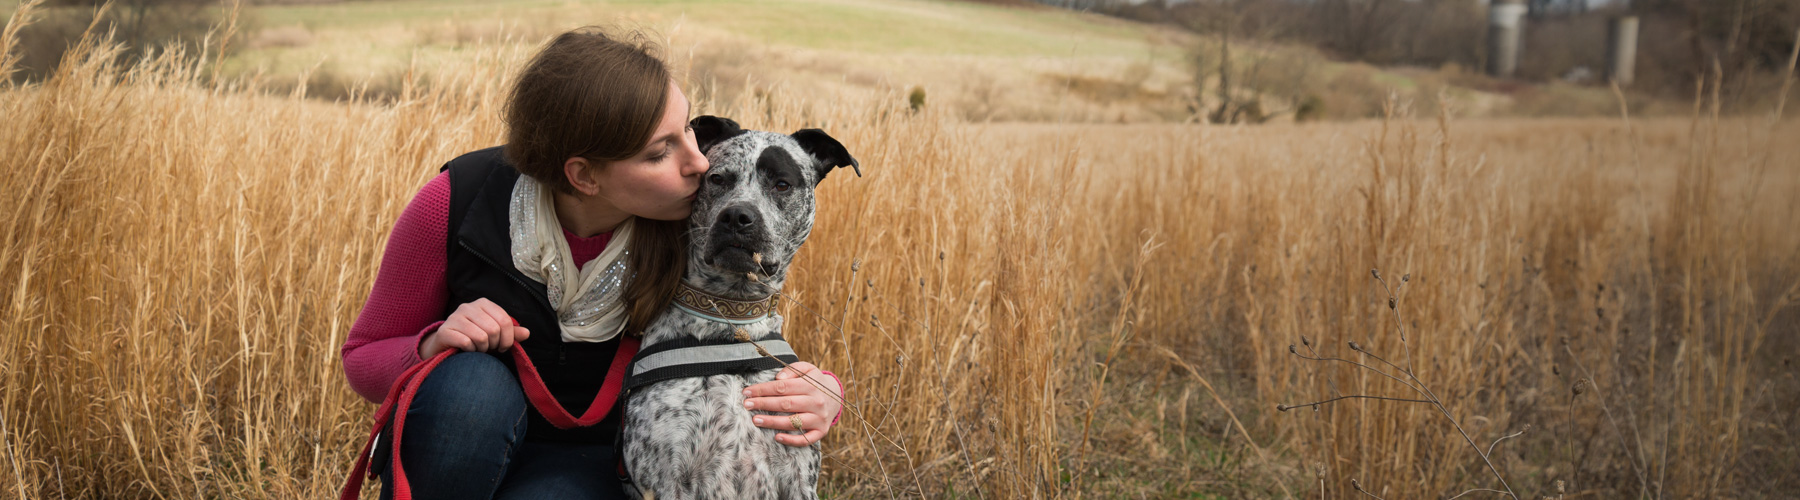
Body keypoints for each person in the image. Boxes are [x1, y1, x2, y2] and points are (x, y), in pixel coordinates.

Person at [339, 27, 844, 500]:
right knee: (470, 391)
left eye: (688, 130)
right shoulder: (460, 200)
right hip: (465, 434)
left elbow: (742, 318)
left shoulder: (701, 214)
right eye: (659, 152)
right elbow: (362, 357)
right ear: (584, 175)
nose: (699, 161)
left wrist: (823, 393)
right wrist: (432, 342)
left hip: (588, 458)